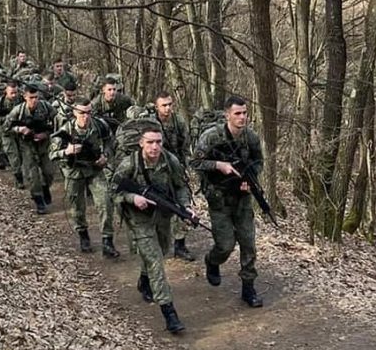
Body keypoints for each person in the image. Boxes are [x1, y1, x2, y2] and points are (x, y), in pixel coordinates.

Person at [110, 125, 197, 333]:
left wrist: (185, 207)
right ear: (141, 143)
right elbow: (113, 191)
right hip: (139, 218)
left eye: (158, 142)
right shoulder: (129, 164)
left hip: (163, 216)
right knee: (156, 261)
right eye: (150, 142)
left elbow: (181, 186)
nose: (155, 146)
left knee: (162, 250)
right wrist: (133, 197)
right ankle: (169, 313)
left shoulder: (170, 161)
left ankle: (144, 279)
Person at [190, 95, 264, 308]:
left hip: (242, 198)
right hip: (219, 198)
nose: (242, 117)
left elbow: (258, 162)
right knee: (225, 245)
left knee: (248, 243)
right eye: (237, 114)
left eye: (245, 113)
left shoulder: (251, 137)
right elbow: (195, 161)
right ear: (227, 115)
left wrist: (249, 180)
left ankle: (248, 288)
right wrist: (217, 165)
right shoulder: (211, 136)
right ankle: (212, 261)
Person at [50, 97, 119, 258]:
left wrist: (105, 157)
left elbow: (110, 143)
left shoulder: (100, 125)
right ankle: (83, 235)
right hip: (73, 172)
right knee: (77, 207)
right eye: (81, 113)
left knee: (105, 201)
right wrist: (67, 151)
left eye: (88, 113)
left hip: (95, 170)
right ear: (74, 112)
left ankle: (107, 240)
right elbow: (52, 154)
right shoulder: (65, 130)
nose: (85, 116)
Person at [152, 91, 194, 261]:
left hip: (175, 168)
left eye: (170, 104)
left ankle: (180, 244)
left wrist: (184, 166)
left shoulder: (178, 122)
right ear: (157, 107)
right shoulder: (151, 123)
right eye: (164, 105)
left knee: (182, 204)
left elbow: (185, 146)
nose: (168, 108)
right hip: (155, 170)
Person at [4, 83, 55, 214]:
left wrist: (46, 134)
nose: (34, 100)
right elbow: (6, 127)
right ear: (25, 97)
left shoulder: (45, 107)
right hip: (27, 145)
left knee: (49, 172)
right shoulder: (18, 111)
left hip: (44, 144)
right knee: (32, 175)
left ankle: (45, 187)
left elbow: (57, 123)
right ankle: (39, 200)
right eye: (31, 97)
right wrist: (20, 129)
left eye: (36, 97)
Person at [0, 80, 23, 184]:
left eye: (16, 92)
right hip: (7, 133)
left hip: (21, 132)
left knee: (23, 155)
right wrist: (8, 118)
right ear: (6, 91)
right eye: (11, 93)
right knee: (14, 157)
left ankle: (21, 173)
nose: (14, 95)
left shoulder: (22, 100)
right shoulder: (0, 103)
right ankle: (19, 179)